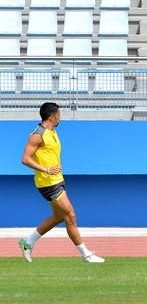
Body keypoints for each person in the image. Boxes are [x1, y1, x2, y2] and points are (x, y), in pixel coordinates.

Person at [17, 102, 104, 263]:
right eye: (58, 114)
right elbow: (25, 159)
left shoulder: (53, 132)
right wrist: (46, 169)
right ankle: (86, 254)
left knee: (58, 217)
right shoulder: (38, 134)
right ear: (52, 116)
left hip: (57, 180)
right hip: (48, 183)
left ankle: (27, 243)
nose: (60, 117)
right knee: (70, 215)